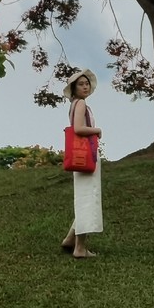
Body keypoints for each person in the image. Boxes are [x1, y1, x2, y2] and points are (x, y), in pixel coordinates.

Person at [60, 68, 102, 258]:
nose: (85, 87)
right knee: (87, 200)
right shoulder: (81, 104)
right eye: (81, 84)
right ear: (74, 88)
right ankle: (80, 248)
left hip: (80, 156)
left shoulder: (75, 104)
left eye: (86, 84)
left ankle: (70, 240)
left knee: (85, 198)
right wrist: (96, 130)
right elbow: (78, 128)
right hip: (86, 157)